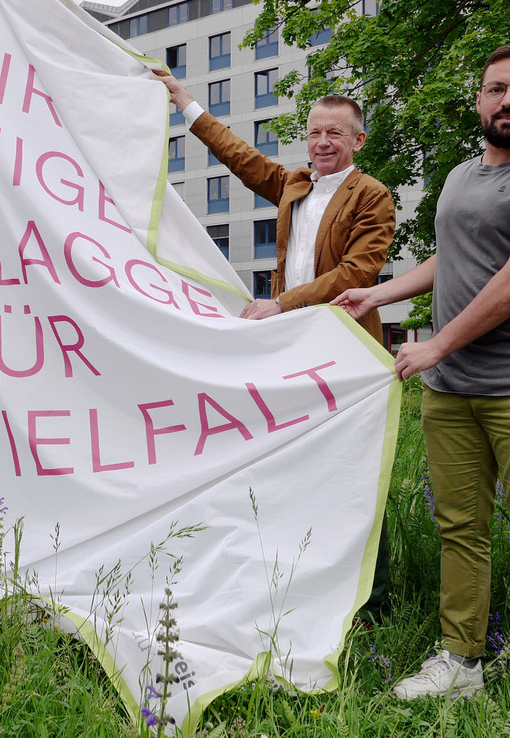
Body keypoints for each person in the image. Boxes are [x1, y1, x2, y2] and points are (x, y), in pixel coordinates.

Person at [333, 43, 510, 734]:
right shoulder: (459, 176)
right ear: (478, 99)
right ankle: (461, 660)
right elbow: (452, 257)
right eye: (497, 88)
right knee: (461, 530)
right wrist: (377, 293)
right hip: (452, 391)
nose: (509, 101)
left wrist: (436, 344)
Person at [156, 71, 395, 621]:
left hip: (345, 351)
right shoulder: (295, 185)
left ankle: (371, 603)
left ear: (358, 140)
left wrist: (282, 304)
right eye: (314, 133)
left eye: (335, 133)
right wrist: (185, 102)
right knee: (297, 465)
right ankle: (304, 578)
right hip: (293, 350)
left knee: (356, 469)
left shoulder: (373, 195)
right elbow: (240, 157)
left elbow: (358, 273)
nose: (322, 143)